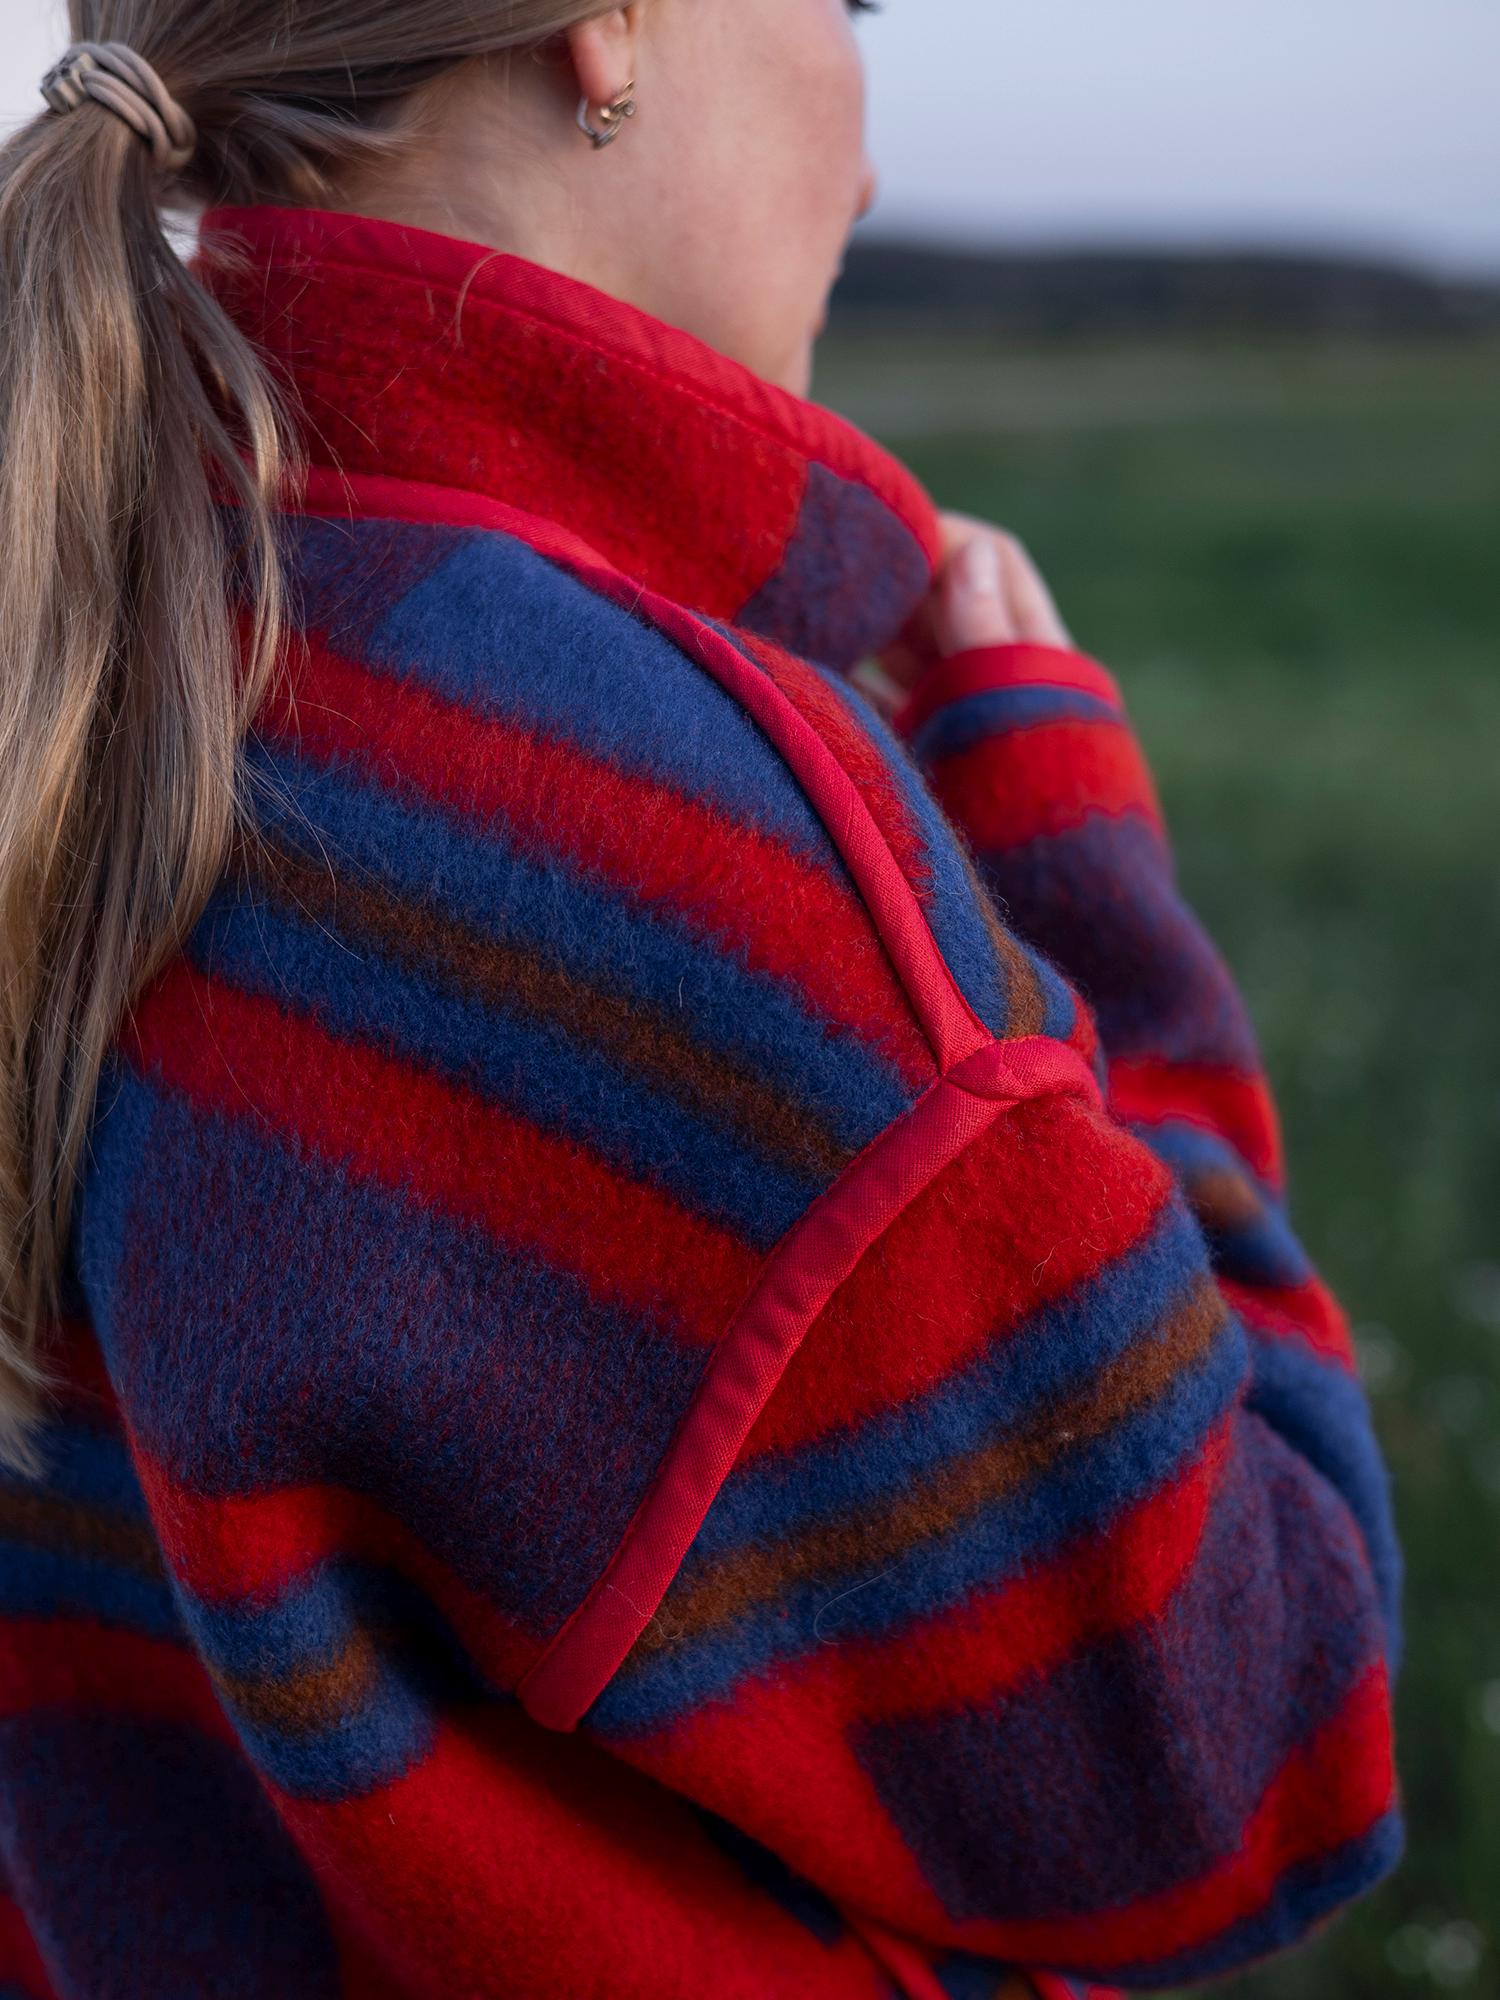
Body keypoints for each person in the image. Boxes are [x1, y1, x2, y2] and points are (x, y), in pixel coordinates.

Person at [0, 6, 1403, 1998]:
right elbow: (1250, 1750)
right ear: (610, 32)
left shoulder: (92, 635)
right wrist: (1078, 887)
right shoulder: (671, 842)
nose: (873, 165)